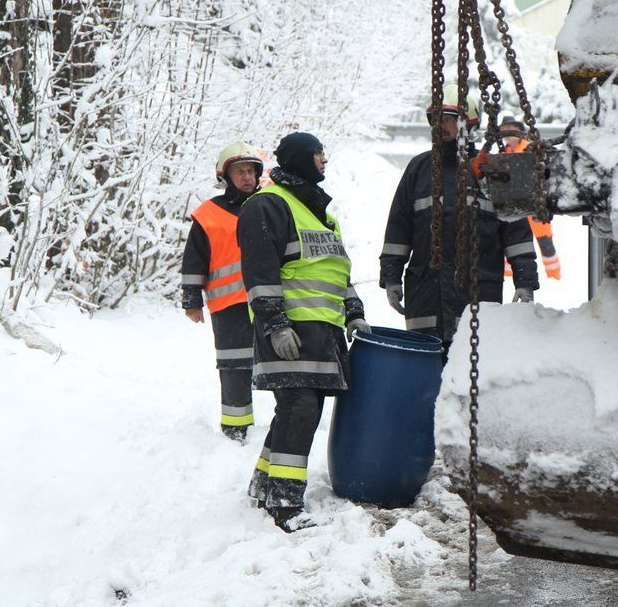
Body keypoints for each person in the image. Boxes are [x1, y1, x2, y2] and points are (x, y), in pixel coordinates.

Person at [238, 131, 370, 532]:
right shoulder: (266, 204)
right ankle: (285, 504)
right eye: (318, 154)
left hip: (322, 335)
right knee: (299, 410)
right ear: (299, 158)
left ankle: (264, 486)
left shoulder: (322, 215)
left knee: (298, 411)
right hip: (290, 334)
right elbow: (259, 274)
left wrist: (355, 313)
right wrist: (276, 325)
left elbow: (338, 272)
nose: (324, 161)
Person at [380, 85, 539, 355]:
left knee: (475, 367)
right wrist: (391, 277)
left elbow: (518, 236)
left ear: (468, 124)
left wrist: (525, 282)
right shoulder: (418, 170)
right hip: (426, 297)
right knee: (427, 371)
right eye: (435, 119)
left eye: (448, 119)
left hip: (478, 294)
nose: (439, 126)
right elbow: (398, 229)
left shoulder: (496, 170)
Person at [181, 141, 265, 443]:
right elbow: (194, 260)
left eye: (251, 171)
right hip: (229, 307)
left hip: (267, 302)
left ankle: (282, 429)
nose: (247, 177)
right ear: (225, 176)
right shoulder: (208, 214)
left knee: (279, 365)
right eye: (239, 171)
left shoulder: (269, 205)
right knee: (234, 368)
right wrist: (192, 300)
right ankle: (235, 432)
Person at [498, 117, 561, 280]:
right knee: (512, 240)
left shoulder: (530, 149)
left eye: (511, 128)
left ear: (520, 131)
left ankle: (554, 274)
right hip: (514, 203)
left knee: (544, 239)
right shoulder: (502, 152)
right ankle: (508, 275)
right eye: (504, 129)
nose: (507, 132)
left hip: (533, 202)